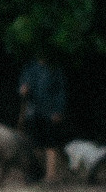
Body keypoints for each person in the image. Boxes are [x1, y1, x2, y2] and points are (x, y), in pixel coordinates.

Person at [18, 56, 69, 184]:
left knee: (50, 144)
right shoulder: (30, 68)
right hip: (33, 112)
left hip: (50, 112)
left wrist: (58, 110)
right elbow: (23, 89)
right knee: (35, 144)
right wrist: (23, 90)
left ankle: (51, 176)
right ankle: (37, 174)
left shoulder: (55, 69)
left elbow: (61, 92)